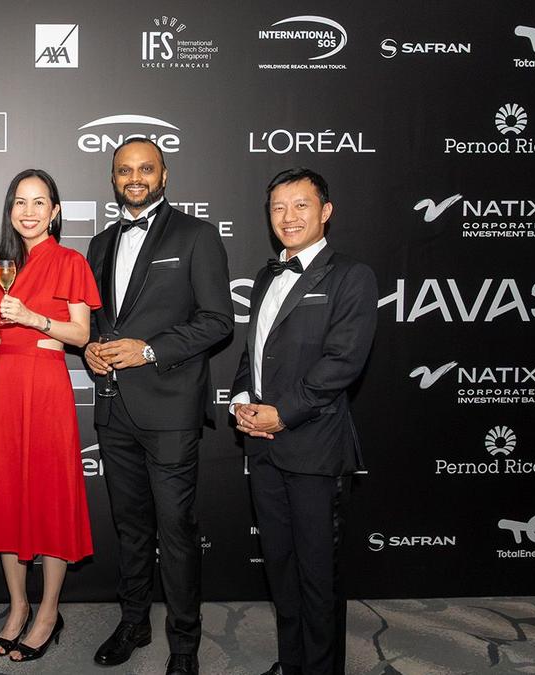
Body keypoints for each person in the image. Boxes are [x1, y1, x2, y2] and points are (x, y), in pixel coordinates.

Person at [83, 138, 233, 675]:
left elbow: (218, 320)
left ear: (164, 175)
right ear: (113, 178)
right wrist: (91, 347)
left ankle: (184, 645)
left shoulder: (197, 235)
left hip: (170, 408)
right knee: (130, 527)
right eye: (125, 170)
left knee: (176, 530)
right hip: (114, 407)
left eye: (146, 169)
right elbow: (96, 320)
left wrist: (148, 350)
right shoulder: (99, 243)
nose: (135, 178)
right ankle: (134, 622)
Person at [231, 168, 377, 675]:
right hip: (263, 448)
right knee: (281, 569)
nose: (288, 217)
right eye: (278, 207)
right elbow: (254, 353)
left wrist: (282, 413)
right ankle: (291, 664)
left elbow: (343, 362)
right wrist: (242, 401)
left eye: (300, 205)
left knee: (318, 577)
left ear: (325, 212)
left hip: (315, 448)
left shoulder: (351, 276)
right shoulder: (266, 276)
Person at [0, 169, 100, 662]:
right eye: (20, 202)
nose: (28, 211)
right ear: (10, 210)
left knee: (50, 496)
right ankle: (18, 606)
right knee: (6, 495)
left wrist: (35, 319)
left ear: (55, 211)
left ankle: (48, 611)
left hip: (45, 388)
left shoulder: (70, 262)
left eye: (39, 202)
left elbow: (81, 334)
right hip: (1, 386)